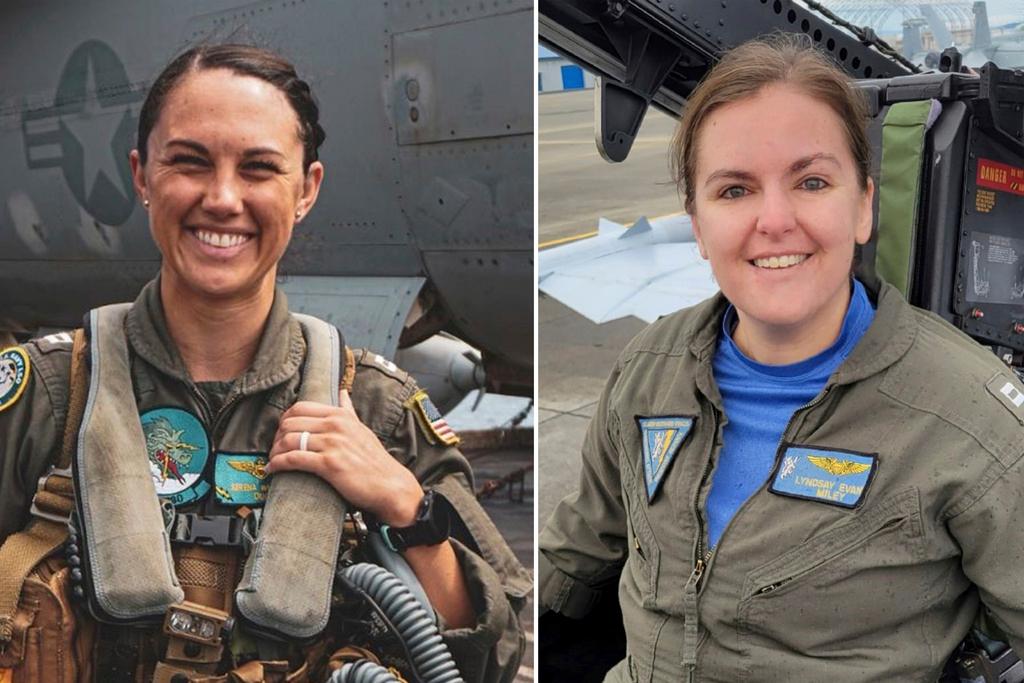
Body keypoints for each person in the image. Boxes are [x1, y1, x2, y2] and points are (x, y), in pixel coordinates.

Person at [0, 44, 529, 682]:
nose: (223, 199)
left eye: (259, 169)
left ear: (306, 190)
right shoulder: (46, 397)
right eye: (190, 162)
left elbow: (494, 657)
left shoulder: (376, 410)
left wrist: (406, 508)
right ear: (142, 176)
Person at [539, 33, 1024, 681]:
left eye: (812, 181)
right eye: (734, 190)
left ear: (863, 207)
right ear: (698, 224)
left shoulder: (971, 422)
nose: (774, 219)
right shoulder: (648, 369)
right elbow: (573, 565)